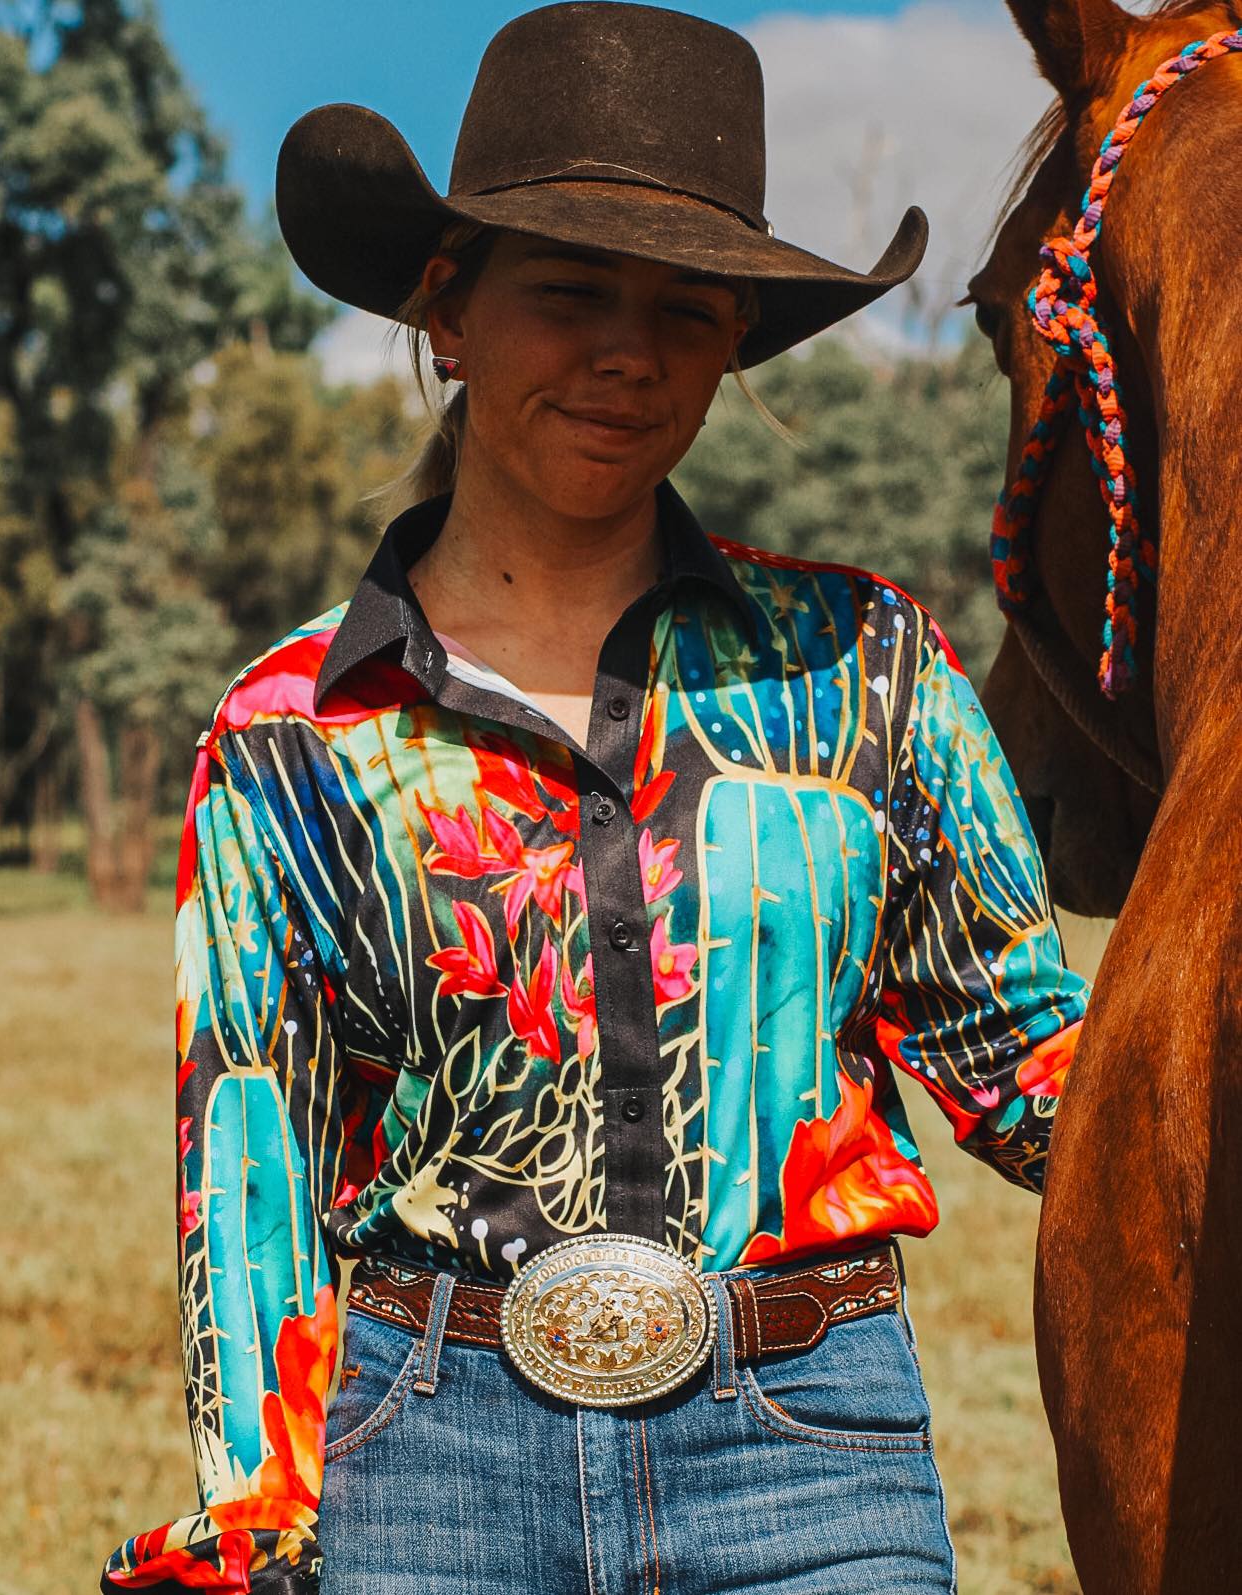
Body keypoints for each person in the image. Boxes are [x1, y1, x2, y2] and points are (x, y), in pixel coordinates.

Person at [101, 5, 1089, 1593]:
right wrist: (255, 1516)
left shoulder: (865, 668)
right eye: (571, 294)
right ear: (449, 313)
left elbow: (1033, 1070)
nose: (629, 353)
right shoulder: (294, 729)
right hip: (422, 1457)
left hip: (807, 1452)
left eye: (686, 313)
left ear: (730, 350)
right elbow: (252, 1143)